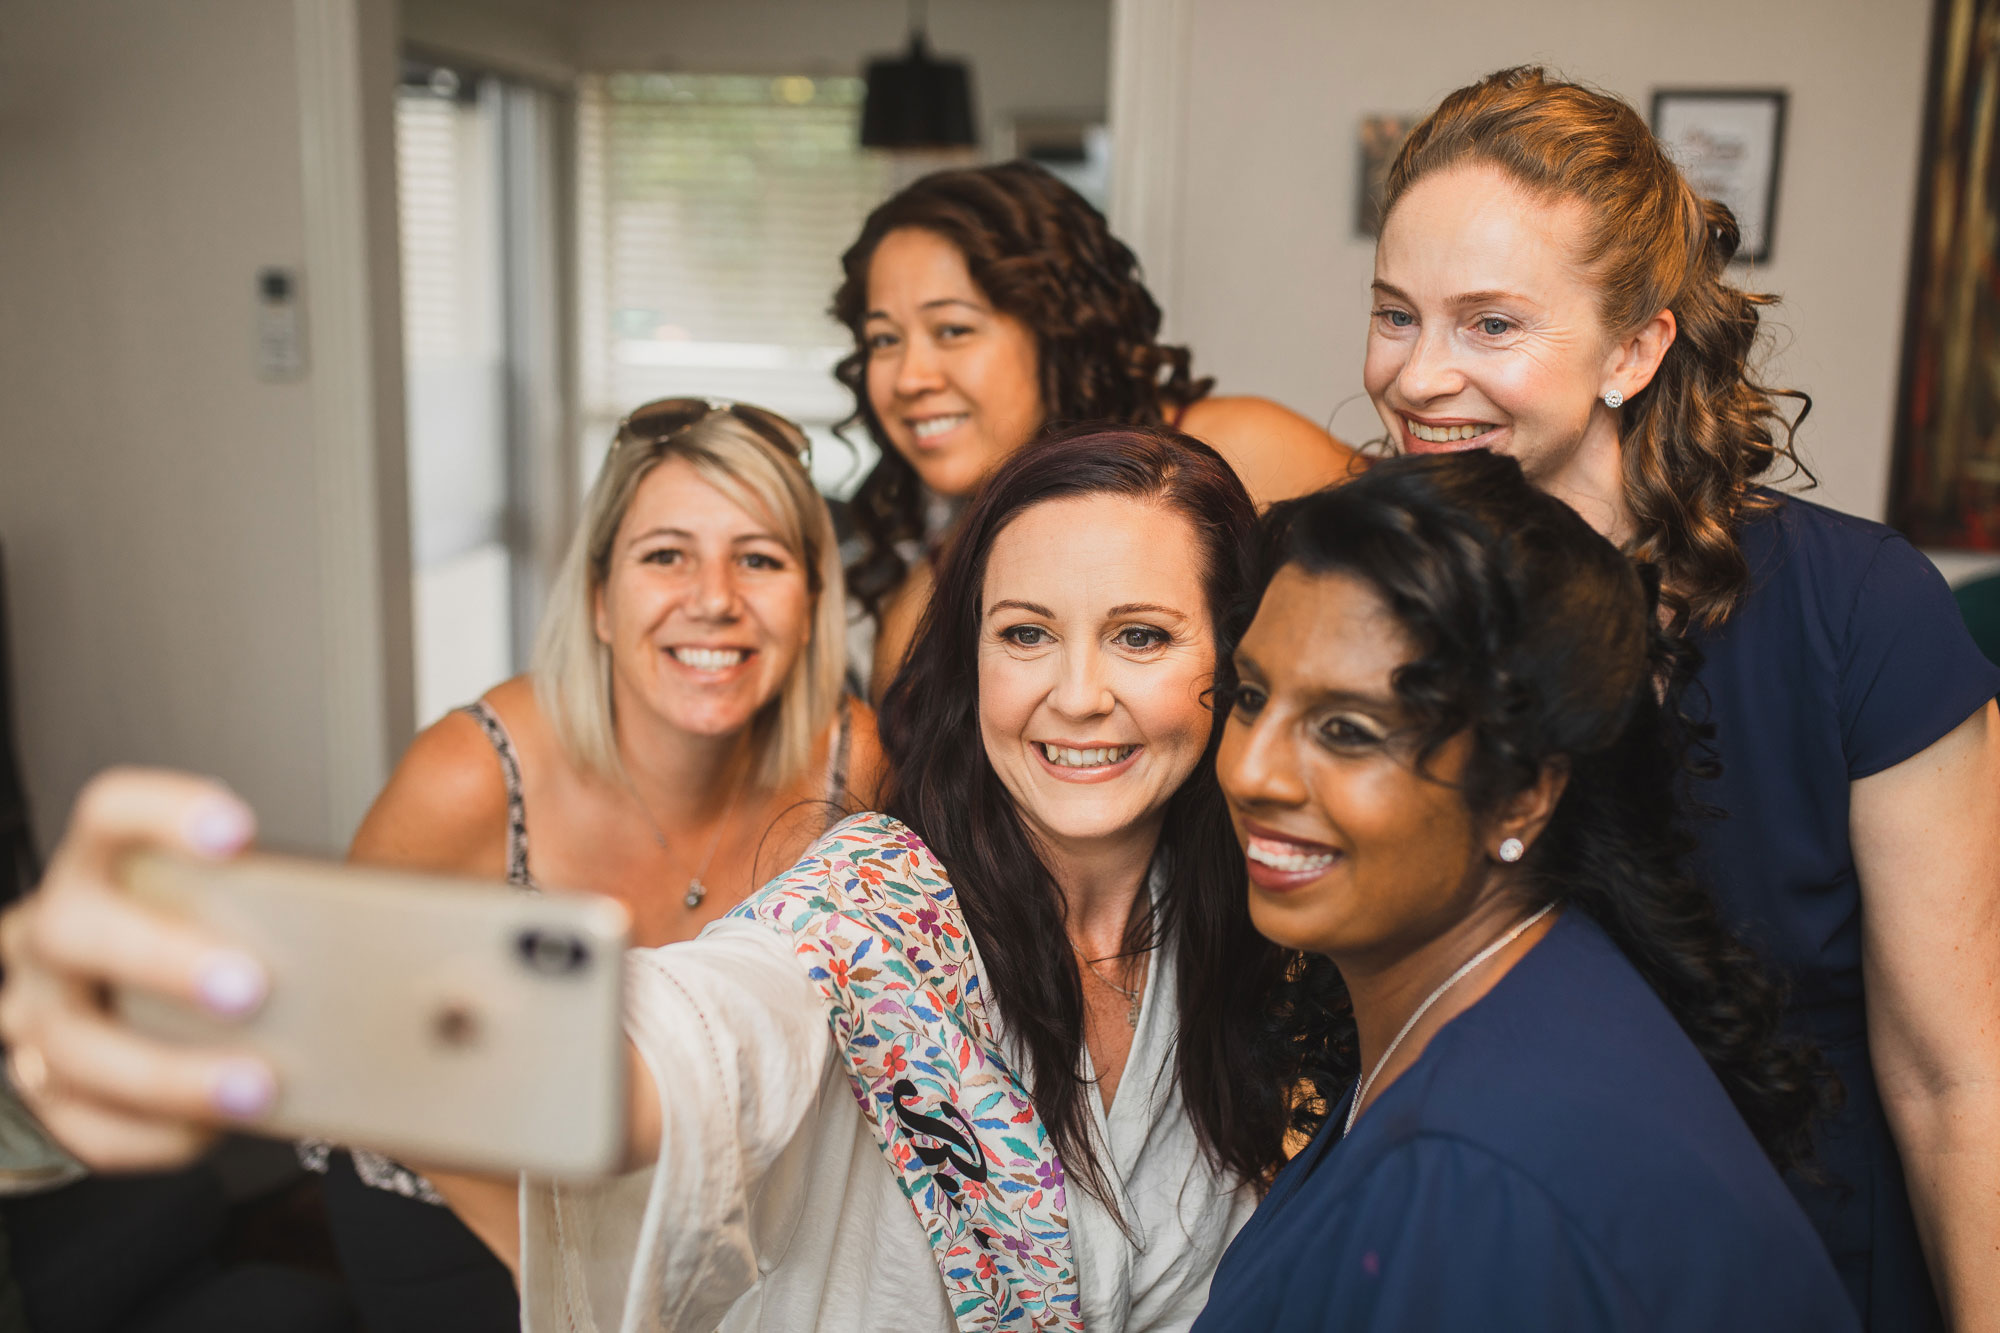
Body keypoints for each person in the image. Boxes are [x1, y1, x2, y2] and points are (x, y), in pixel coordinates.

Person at [0, 426, 1334, 1333]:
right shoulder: (878, 900)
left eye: (1145, 635)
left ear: (1236, 662)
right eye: (1026, 633)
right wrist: (233, 992)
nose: (1079, 695)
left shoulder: (1265, 932)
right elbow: (686, 1030)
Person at [1362, 67, 2000, 1329]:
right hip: (1478, 1257)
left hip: (1793, 1267)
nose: (1419, 377)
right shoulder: (1358, 599)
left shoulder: (1856, 608)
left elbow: (1951, 1076)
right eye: (1394, 315)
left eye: (1490, 325)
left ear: (1635, 346)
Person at [1194, 450, 1856, 1331]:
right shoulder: (1513, 995)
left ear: (1524, 792)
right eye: (1249, 695)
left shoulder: (1475, 1176)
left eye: (1347, 730)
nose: (1250, 771)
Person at [318, 397, 884, 1331]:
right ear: (598, 600)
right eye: (666, 555)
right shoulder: (470, 774)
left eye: (761, 558)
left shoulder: (850, 765)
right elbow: (343, 1037)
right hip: (455, 1183)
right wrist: (547, 1271)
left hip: (689, 1184)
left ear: (814, 599)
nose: (714, 598)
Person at [832, 161, 1359, 699]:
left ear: (1056, 329)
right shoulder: (921, 608)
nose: (909, 378)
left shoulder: (1250, 451)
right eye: (882, 340)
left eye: (952, 329)